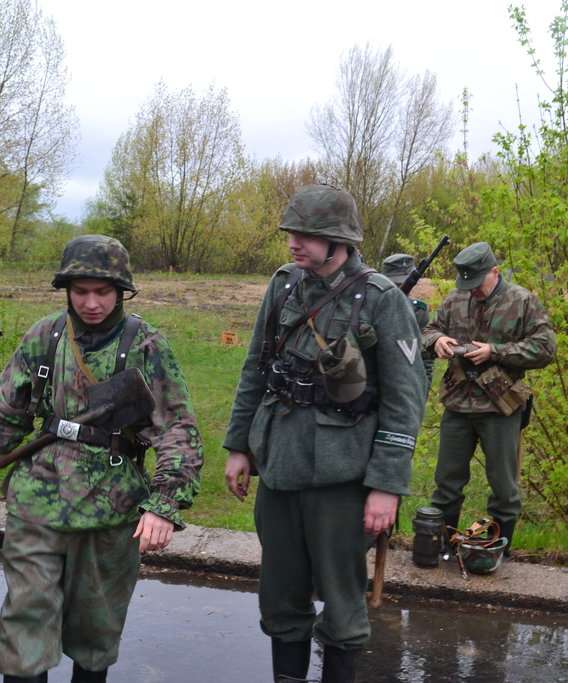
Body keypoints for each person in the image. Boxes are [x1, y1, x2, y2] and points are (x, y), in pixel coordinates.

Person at [0, 235, 203, 683]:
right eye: (80, 291)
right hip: (37, 502)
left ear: (121, 291)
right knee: (25, 629)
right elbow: (6, 414)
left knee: (95, 636)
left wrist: (164, 503)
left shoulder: (146, 345)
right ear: (66, 289)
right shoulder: (44, 336)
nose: (91, 303)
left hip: (111, 508)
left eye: (102, 291)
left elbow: (177, 430)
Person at [224, 184, 426, 683]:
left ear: (339, 241)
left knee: (341, 605)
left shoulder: (381, 299)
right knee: (281, 598)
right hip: (279, 465)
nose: (294, 243)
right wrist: (239, 446)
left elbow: (404, 400)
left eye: (307, 235)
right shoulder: (283, 285)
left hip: (343, 477)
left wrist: (386, 484)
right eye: (291, 232)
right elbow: (256, 368)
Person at [421, 242, 556, 561]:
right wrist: (437, 340)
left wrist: (495, 352)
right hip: (457, 403)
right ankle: (444, 546)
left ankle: (498, 551)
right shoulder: (455, 298)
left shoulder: (522, 301)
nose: (472, 290)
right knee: (446, 482)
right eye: (466, 283)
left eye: (477, 283)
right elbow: (429, 330)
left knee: (504, 487)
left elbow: (545, 349)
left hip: (500, 407)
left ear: (495, 271)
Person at [381, 252, 434, 386]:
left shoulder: (419, 311)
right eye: (395, 283)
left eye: (404, 282)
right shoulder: (371, 306)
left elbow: (425, 358)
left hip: (405, 380)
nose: (400, 288)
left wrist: (424, 388)